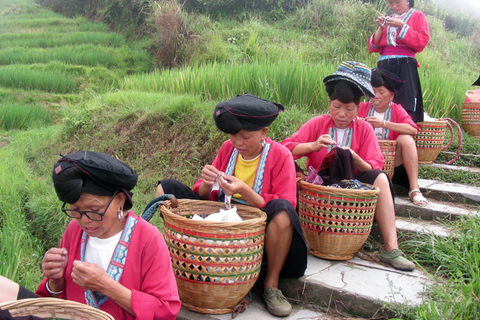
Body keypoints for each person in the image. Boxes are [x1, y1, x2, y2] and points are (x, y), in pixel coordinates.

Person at [156, 93, 308, 317]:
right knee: (166, 190)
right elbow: (205, 195)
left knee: (283, 212)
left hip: (258, 228)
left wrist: (245, 191)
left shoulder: (281, 155)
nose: (238, 143)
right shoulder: (228, 149)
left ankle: (271, 286)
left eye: (246, 137)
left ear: (264, 132)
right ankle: (181, 262)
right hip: (221, 216)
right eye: (233, 136)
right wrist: (208, 181)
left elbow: (287, 202)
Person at [0, 151, 181, 320]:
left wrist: (106, 285)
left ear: (120, 200)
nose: (85, 221)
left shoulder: (147, 238)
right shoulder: (74, 230)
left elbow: (165, 310)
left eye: (95, 210)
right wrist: (56, 281)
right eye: (75, 210)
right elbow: (53, 301)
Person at [281, 61, 415, 271]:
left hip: (354, 186)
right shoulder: (317, 123)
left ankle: (391, 248)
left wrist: (355, 159)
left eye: (349, 109)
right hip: (321, 186)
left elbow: (374, 164)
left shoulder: (364, 129)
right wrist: (313, 146)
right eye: (336, 107)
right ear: (329, 104)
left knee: (380, 177)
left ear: (359, 108)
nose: (342, 114)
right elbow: (284, 149)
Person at [358, 68, 427, 206]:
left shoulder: (396, 109)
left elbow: (413, 129)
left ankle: (414, 189)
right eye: (373, 92)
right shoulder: (362, 108)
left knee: (406, 139)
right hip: (367, 160)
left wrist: (383, 124)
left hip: (392, 162)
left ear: (391, 96)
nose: (376, 96)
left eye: (381, 92)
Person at [368, 0, 430, 123]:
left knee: (405, 99)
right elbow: (374, 46)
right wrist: (381, 27)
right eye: (390, 3)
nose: (394, 6)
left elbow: (422, 41)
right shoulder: (389, 19)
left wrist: (402, 25)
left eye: (397, 2)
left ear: (407, 1)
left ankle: (404, 130)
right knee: (382, 97)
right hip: (384, 64)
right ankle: (381, 131)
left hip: (405, 65)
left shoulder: (418, 16)